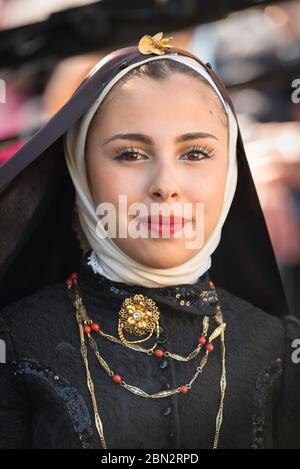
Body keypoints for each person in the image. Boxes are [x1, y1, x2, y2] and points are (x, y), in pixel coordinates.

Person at [0, 32, 299, 449]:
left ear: (230, 171)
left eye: (195, 153)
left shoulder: (280, 349)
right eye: (130, 154)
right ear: (80, 170)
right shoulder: (14, 342)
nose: (165, 186)